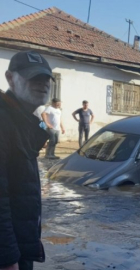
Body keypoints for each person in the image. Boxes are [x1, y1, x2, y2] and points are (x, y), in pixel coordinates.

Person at [0, 50, 52, 270]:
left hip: (19, 247)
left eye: (46, 78)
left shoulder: (22, 120)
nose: (43, 84)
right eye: (33, 77)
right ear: (10, 78)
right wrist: (7, 258)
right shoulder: (3, 121)